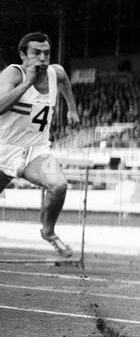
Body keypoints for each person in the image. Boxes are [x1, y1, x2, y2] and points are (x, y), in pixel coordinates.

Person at [0, 32, 81, 257]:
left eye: (46, 53)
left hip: (36, 151)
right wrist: (27, 83)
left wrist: (72, 109)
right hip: (3, 148)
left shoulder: (57, 73)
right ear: (22, 55)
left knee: (59, 185)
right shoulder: (12, 74)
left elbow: (65, 82)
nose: (42, 58)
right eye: (36, 53)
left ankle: (48, 231)